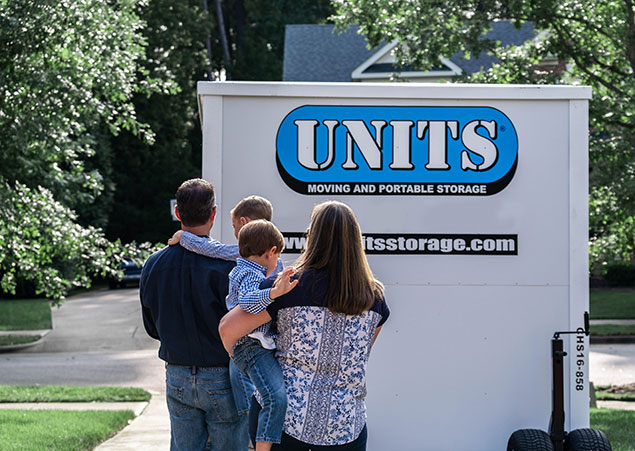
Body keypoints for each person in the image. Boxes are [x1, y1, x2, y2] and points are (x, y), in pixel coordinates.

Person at [219, 200, 390, 450]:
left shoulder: (288, 286)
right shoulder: (374, 298)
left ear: (312, 238)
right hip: (345, 428)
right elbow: (363, 354)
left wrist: (249, 363)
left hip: (285, 426)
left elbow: (227, 330)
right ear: (356, 241)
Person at [140, 178, 248, 451]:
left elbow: (152, 326)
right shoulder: (227, 265)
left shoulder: (153, 264)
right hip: (222, 374)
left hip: (176, 373)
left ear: (177, 213)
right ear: (213, 213)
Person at [167, 195, 284, 420]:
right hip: (266, 335)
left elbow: (215, 250)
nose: (234, 233)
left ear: (244, 223)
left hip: (248, 334)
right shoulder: (273, 256)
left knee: (238, 370)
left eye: (233, 226)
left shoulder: (247, 254)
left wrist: (184, 237)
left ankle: (247, 415)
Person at [226, 219, 297, 451]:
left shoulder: (246, 269)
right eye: (277, 257)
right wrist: (275, 292)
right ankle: (262, 448)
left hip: (253, 346)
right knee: (275, 398)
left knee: (266, 396)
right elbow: (247, 302)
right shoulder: (250, 274)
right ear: (271, 252)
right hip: (251, 346)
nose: (277, 262)